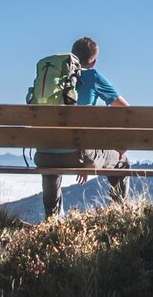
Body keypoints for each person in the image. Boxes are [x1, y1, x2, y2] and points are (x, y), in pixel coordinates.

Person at [34, 37, 131, 218]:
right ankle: (118, 216)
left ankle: (52, 221)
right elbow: (127, 110)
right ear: (93, 61)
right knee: (122, 162)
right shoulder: (92, 76)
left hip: (44, 155)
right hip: (79, 153)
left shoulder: (53, 81)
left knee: (52, 162)